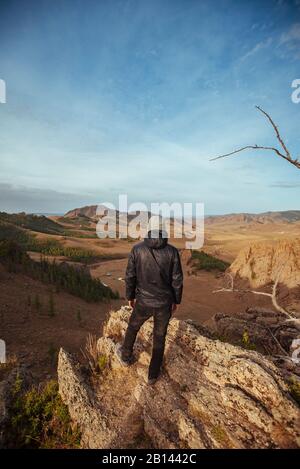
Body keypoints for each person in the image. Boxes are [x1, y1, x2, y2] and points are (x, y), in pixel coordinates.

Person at [116, 221, 183, 385]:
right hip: (164, 304)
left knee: (133, 327)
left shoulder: (137, 249)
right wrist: (176, 300)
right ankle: (153, 375)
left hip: (143, 301)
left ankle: (125, 357)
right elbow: (177, 281)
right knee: (159, 337)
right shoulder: (172, 252)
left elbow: (130, 276)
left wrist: (130, 296)